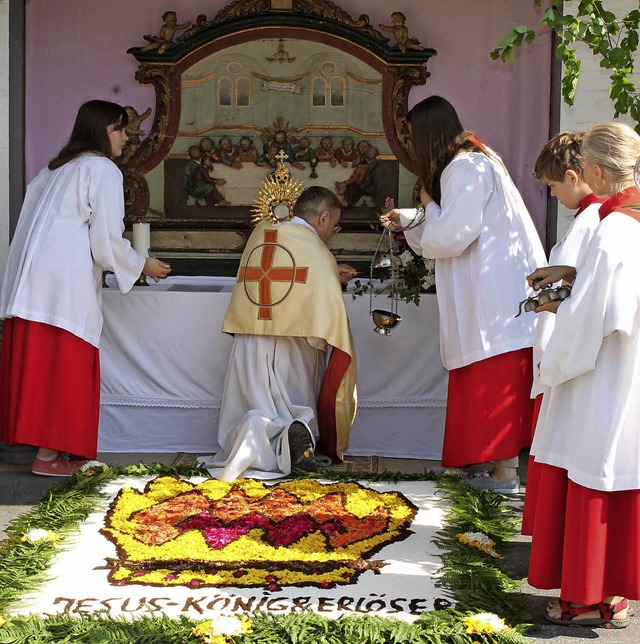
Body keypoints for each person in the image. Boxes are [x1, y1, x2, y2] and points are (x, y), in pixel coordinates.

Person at [380, 95, 546, 494]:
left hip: (491, 294)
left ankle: (505, 473)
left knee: (495, 375)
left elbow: (451, 235)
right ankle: (492, 466)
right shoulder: (477, 159)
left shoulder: (464, 168)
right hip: (494, 290)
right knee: (492, 373)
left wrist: (424, 205)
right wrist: (410, 216)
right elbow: (450, 221)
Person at [0, 99, 172, 477]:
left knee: (43, 370)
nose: (127, 138)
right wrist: (143, 263)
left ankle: (49, 454)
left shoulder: (52, 171)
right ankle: (47, 458)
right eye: (119, 130)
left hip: (33, 286)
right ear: (98, 130)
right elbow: (107, 241)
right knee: (64, 368)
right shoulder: (101, 169)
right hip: (64, 287)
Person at [523, 122, 640, 628]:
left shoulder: (613, 230)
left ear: (594, 171)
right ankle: (611, 594)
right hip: (627, 365)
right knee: (615, 471)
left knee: (591, 471)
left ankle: (589, 599)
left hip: (601, 373)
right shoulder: (630, 220)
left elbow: (593, 316)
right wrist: (572, 277)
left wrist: (554, 355)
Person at [200, 186, 357, 482]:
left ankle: (256, 437)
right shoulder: (316, 249)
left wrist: (329, 272)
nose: (331, 233)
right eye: (334, 226)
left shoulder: (261, 232)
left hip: (250, 336)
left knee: (254, 403)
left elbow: (278, 277)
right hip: (295, 343)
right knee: (292, 401)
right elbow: (319, 303)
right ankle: (295, 437)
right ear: (324, 217)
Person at [521, 131, 604, 535]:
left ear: (573, 177)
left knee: (561, 452)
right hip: (563, 350)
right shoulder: (592, 219)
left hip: (566, 356)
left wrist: (548, 302)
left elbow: (579, 295)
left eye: (552, 186)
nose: (552, 195)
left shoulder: (594, 222)